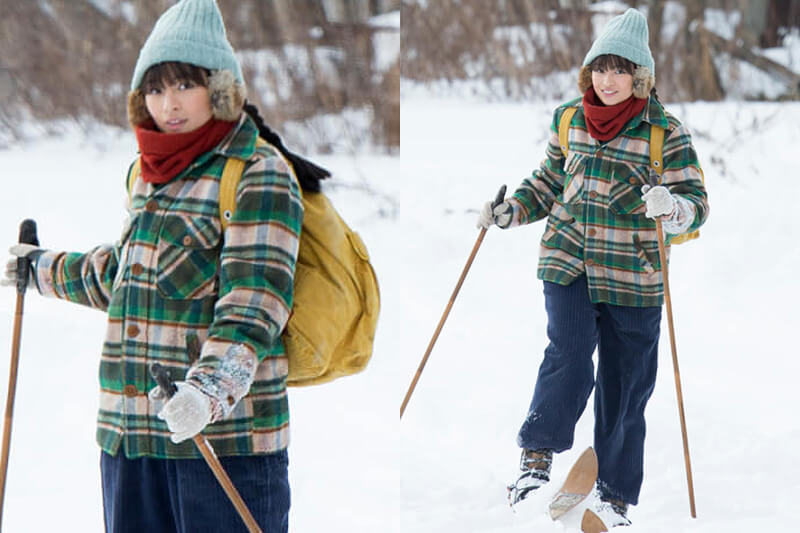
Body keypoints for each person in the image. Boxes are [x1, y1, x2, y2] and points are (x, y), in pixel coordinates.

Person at [0, 0, 327, 530]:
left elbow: (255, 303)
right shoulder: (149, 174)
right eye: (155, 89)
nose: (168, 104)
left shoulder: (257, 173)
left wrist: (208, 391)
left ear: (219, 88)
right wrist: (39, 269)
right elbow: (126, 278)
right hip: (131, 442)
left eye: (184, 85)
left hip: (221, 447)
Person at [476, 8, 709, 529]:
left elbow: (697, 203)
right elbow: (547, 182)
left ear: (639, 77)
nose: (608, 80)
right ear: (588, 73)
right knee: (570, 355)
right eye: (600, 69)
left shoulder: (664, 133)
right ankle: (536, 459)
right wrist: (510, 210)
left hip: (635, 276)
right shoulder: (569, 120)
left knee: (626, 383)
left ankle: (615, 495)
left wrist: (672, 208)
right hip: (569, 263)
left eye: (620, 70)